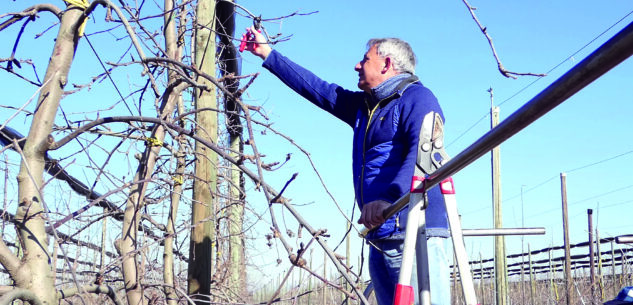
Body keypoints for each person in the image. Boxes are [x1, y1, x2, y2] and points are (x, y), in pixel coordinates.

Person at [243, 27, 451, 305]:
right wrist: (268, 53)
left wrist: (388, 200)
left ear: (387, 64)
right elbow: (317, 89)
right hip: (382, 233)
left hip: (413, 232)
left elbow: (422, 157)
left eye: (365, 59)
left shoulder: (417, 99)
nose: (356, 65)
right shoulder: (366, 107)